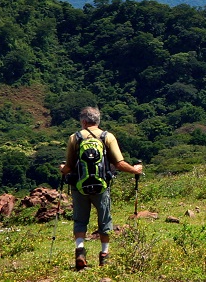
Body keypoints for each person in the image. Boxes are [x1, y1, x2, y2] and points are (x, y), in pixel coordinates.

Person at [60, 106, 144, 270]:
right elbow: (119, 163)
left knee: (80, 220)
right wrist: (135, 170)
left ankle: (80, 252)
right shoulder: (108, 137)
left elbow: (69, 166)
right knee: (105, 219)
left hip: (79, 186)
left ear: (83, 122)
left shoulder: (75, 138)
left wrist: (62, 168)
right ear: (97, 121)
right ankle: (104, 256)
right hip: (101, 186)